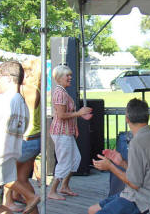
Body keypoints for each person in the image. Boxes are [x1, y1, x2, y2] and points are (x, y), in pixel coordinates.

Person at [88, 98, 150, 214]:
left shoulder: (136, 143)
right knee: (92, 210)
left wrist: (110, 167)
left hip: (145, 201)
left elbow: (134, 183)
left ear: (127, 119)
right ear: (147, 117)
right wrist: (122, 163)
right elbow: (144, 172)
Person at [0, 61, 40, 214]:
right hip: (12, 153)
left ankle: (29, 196)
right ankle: (29, 197)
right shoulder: (22, 104)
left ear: (8, 78)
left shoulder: (0, 101)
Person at [48, 64, 93, 200]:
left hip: (66, 132)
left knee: (75, 159)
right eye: (67, 75)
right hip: (61, 132)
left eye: (70, 75)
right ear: (59, 78)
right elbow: (61, 115)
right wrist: (79, 113)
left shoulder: (62, 92)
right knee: (64, 161)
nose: (70, 78)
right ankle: (52, 191)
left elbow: (68, 114)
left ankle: (64, 186)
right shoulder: (60, 93)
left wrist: (75, 127)